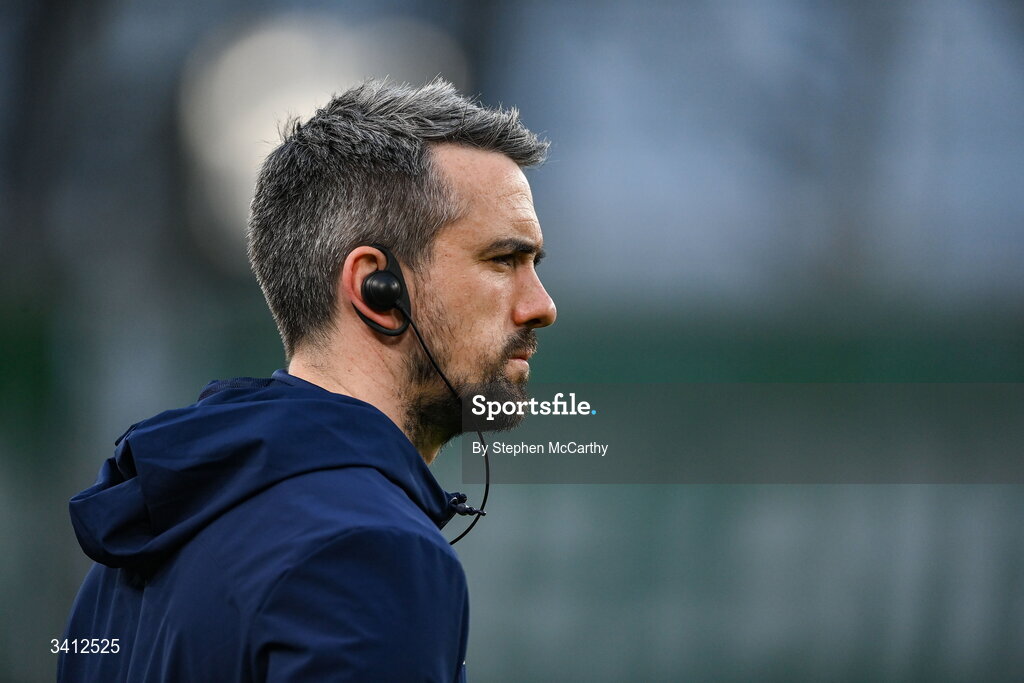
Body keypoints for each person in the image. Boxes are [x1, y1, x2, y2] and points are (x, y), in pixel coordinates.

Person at [57, 78, 557, 682]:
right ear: (379, 289)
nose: (541, 305)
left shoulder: (130, 553)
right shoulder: (369, 553)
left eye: (535, 265)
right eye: (504, 260)